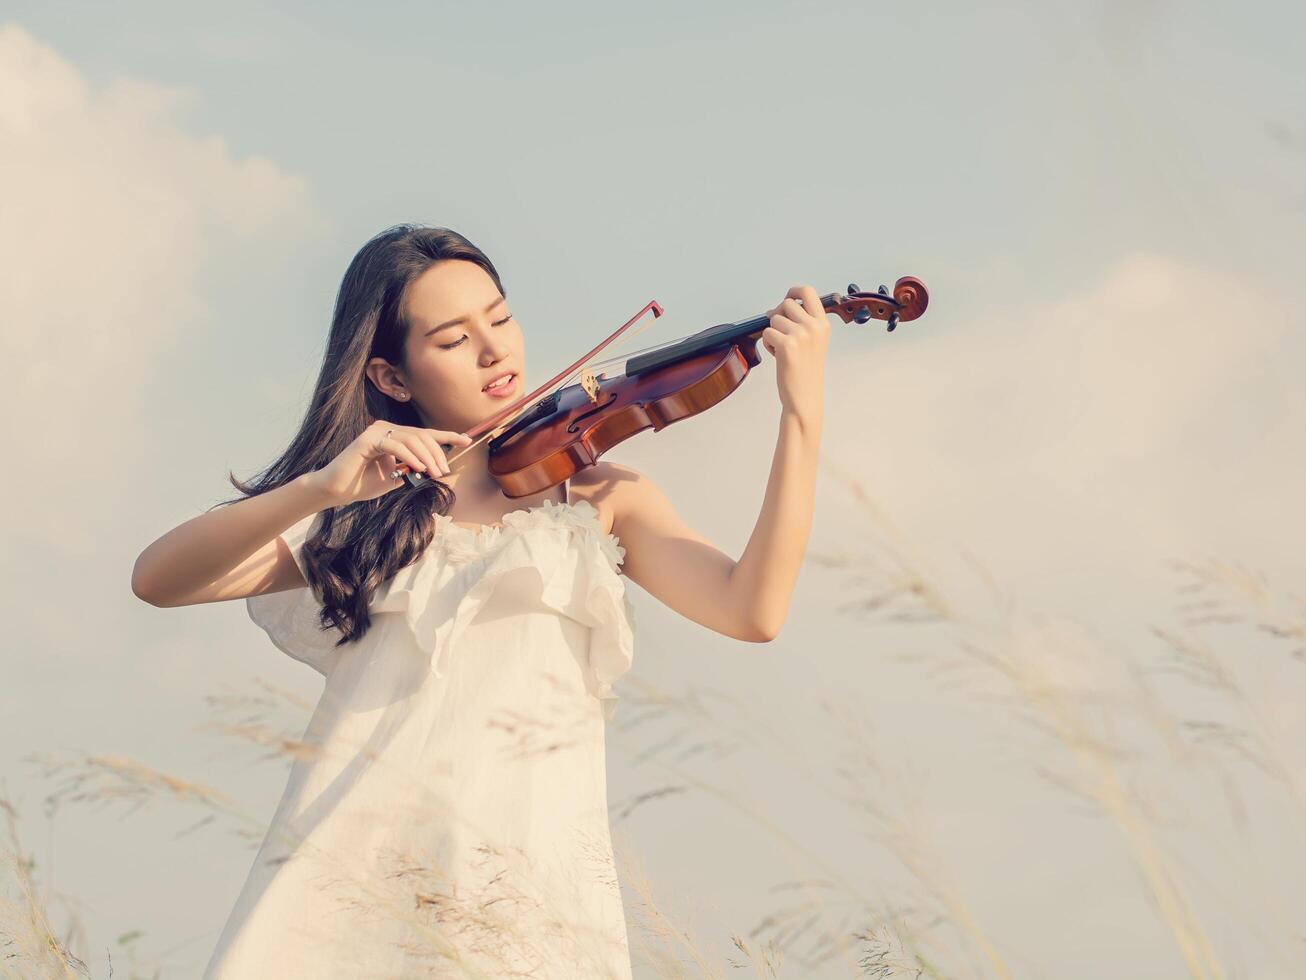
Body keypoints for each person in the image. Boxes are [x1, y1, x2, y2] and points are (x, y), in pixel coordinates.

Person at [130, 223, 828, 978]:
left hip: (531, 885)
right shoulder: (366, 508)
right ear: (393, 378)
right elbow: (158, 579)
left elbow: (752, 610)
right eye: (454, 339)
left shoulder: (596, 496)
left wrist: (801, 413)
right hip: (355, 872)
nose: (496, 351)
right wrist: (321, 486)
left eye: (499, 318)